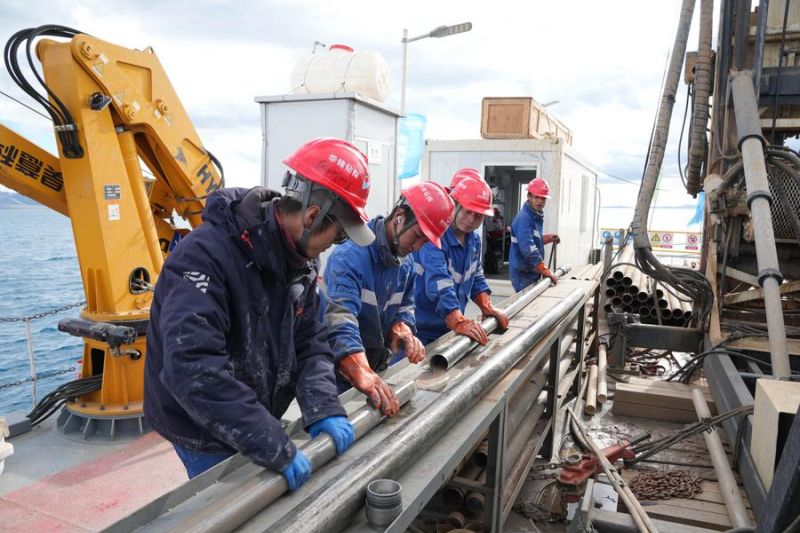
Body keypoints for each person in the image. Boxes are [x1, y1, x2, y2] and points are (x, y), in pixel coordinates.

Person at [144, 138, 375, 488]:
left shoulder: (300, 262)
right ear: (312, 216)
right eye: (339, 235)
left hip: (251, 411)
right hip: (199, 423)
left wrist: (323, 406)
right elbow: (192, 368)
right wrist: (270, 442)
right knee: (232, 509)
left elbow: (311, 341)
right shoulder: (203, 258)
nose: (334, 245)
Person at [323, 182, 454, 416]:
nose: (417, 247)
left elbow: (406, 304)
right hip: (336, 372)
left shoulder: (405, 262)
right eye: (417, 236)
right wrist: (360, 368)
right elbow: (340, 320)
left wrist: (402, 327)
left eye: (425, 242)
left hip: (374, 366)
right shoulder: (350, 257)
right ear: (400, 217)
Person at [414, 170, 509, 346]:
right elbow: (439, 282)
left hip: (448, 329)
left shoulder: (474, 240)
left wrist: (486, 305)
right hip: (420, 331)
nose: (471, 220)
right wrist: (457, 320)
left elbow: (476, 276)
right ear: (455, 204)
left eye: (478, 215)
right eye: (467, 212)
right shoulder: (435, 237)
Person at [509, 177, 561, 292]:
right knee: (526, 306)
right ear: (529, 197)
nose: (540, 201)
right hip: (523, 274)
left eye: (543, 198)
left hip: (531, 271)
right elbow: (528, 248)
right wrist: (544, 270)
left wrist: (548, 238)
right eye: (537, 197)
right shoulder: (524, 218)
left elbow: (532, 240)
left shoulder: (535, 217)